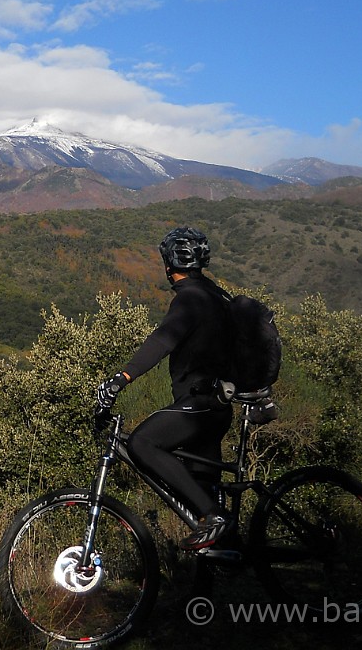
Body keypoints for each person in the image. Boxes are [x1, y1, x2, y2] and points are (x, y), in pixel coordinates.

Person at [95, 226, 235, 550]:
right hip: (218, 407)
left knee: (143, 443)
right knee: (200, 504)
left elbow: (163, 340)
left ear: (169, 266)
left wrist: (121, 379)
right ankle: (211, 583)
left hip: (199, 407)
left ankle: (215, 516)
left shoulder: (190, 299)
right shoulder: (216, 295)